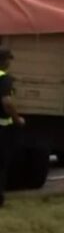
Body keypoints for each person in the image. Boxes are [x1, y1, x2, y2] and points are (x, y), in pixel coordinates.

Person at [0, 48, 25, 207]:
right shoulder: (4, 79)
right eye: (8, 60)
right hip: (2, 128)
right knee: (1, 165)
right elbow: (7, 103)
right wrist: (18, 119)